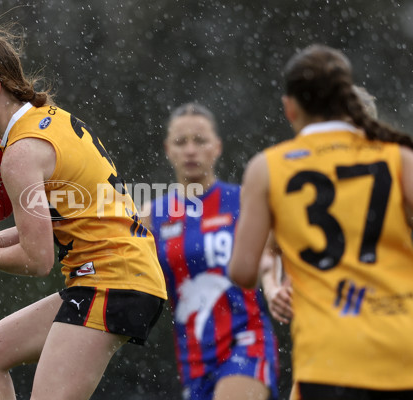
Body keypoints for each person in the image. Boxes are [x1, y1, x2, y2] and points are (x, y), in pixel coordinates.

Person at [0, 23, 167, 400]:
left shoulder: (21, 153)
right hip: (117, 277)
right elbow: (77, 210)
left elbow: (38, 258)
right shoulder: (49, 118)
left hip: (111, 280)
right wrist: (0, 239)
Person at [229, 44, 413, 400]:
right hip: (400, 350)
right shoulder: (398, 159)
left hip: (329, 356)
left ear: (290, 108)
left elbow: (242, 269)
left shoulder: (270, 168)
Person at [142, 103, 279, 400]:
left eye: (200, 141)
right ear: (168, 149)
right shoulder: (152, 216)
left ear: (217, 147)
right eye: (181, 142)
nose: (190, 150)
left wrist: (276, 285)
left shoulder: (244, 202)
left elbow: (277, 254)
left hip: (247, 339)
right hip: (193, 354)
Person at [260, 85, 379, 325]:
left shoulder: (392, 177)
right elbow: (268, 251)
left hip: (381, 318)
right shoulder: (298, 183)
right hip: (318, 324)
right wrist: (273, 289)